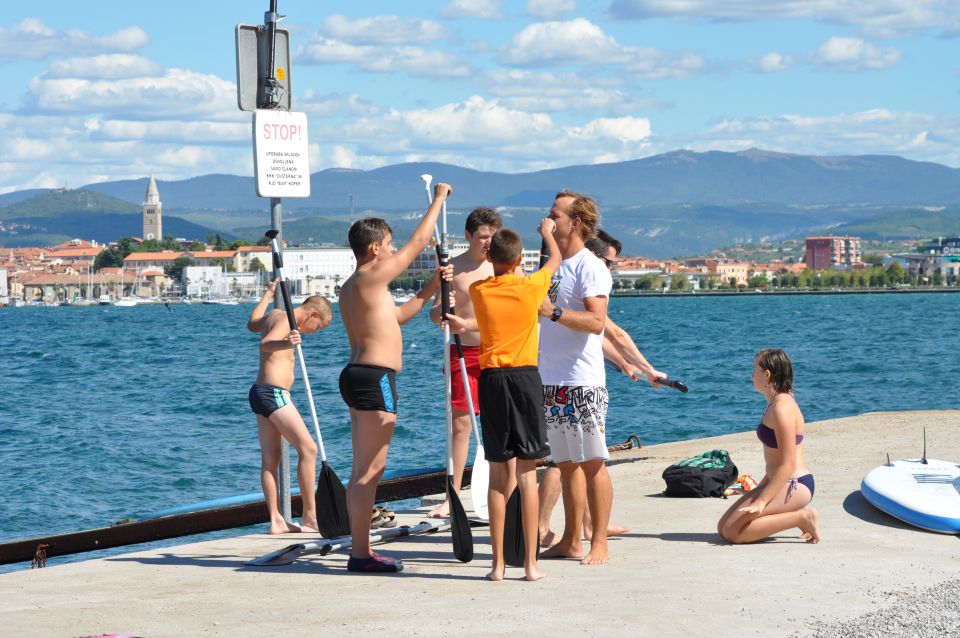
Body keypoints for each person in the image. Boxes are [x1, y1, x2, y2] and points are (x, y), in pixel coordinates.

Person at [338, 183, 453, 573]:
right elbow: (419, 241)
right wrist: (438, 198)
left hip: (358, 375)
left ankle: (359, 548)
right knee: (371, 470)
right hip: (375, 379)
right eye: (388, 244)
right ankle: (360, 553)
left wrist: (433, 285)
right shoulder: (371, 276)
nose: (392, 249)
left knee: (362, 470)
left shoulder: (354, 287)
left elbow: (400, 317)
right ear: (374, 249)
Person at [538, 231, 670, 546]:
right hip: (560, 380)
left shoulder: (565, 278)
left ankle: (586, 528)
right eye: (609, 262)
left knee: (572, 461)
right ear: (597, 257)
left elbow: (599, 337)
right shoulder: (573, 276)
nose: (609, 269)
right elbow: (611, 333)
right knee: (566, 462)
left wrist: (627, 365)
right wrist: (645, 367)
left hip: (561, 379)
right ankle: (552, 528)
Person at [447, 218, 561, 581]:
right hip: (525, 379)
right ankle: (530, 565)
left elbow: (487, 317)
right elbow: (554, 260)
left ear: (489, 256)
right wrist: (546, 234)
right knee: (527, 475)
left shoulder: (480, 289)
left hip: (492, 381)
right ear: (517, 261)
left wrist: (464, 326)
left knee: (499, 475)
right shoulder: (530, 287)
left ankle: (496, 566)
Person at [536, 189, 614, 565]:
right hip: (551, 379)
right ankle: (570, 539)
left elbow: (596, 322)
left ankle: (599, 540)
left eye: (556, 216)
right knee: (565, 464)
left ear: (576, 223)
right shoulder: (552, 265)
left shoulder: (590, 266)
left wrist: (552, 313)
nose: (548, 221)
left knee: (592, 462)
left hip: (582, 382)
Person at [427, 207, 503, 519]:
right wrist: (445, 308)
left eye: (493, 237)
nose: (488, 242)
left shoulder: (502, 266)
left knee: (498, 424)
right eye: (483, 237)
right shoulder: (452, 269)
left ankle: (500, 492)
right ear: (469, 236)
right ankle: (453, 496)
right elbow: (433, 314)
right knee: (460, 426)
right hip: (462, 354)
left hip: (496, 352)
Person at [248, 289, 333, 535]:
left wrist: (266, 295)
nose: (314, 332)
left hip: (260, 392)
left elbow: (252, 325)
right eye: (318, 327)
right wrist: (286, 342)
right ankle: (310, 516)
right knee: (309, 449)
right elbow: (265, 344)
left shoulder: (275, 314)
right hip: (273, 394)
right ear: (313, 314)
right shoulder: (287, 319)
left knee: (270, 459)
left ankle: (276, 520)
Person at [717, 349, 820, 544]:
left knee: (733, 532)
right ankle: (794, 516)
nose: (751, 374)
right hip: (777, 482)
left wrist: (762, 501)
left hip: (794, 485)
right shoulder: (775, 403)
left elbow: (788, 464)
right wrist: (762, 486)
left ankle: (803, 517)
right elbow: (776, 457)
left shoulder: (782, 408)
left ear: (767, 374)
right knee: (723, 527)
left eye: (754, 369)